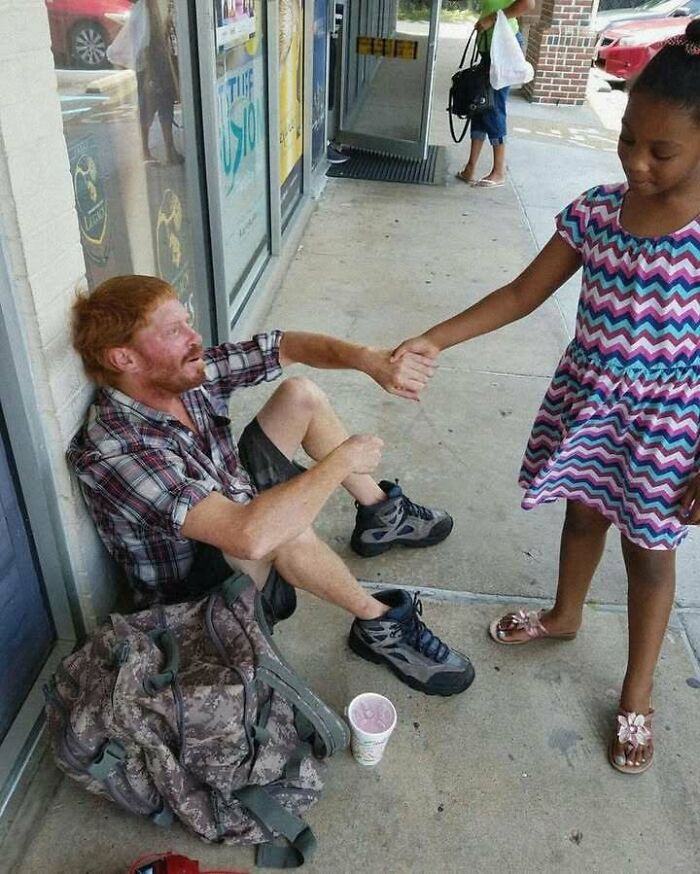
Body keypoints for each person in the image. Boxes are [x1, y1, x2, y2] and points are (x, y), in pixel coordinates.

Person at [393, 20, 700, 768]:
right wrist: (435, 337)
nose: (636, 160)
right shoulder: (598, 211)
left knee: (649, 556)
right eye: (629, 138)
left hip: (668, 433)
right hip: (591, 409)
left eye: (661, 151)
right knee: (582, 519)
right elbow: (522, 293)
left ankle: (636, 694)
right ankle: (565, 615)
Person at [67, 275, 475, 697]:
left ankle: (382, 516)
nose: (195, 338)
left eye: (187, 323)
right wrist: (340, 462)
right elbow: (250, 536)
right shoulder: (117, 451)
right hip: (201, 597)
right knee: (284, 531)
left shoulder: (181, 377)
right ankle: (378, 624)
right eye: (174, 331)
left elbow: (287, 346)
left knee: (300, 396)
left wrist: (367, 358)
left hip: (231, 504)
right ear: (123, 359)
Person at [456, 0, 534, 189]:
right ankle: (470, 168)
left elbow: (528, 4)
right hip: (490, 48)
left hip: (504, 48)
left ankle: (499, 171)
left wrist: (492, 18)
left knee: (493, 107)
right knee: (479, 105)